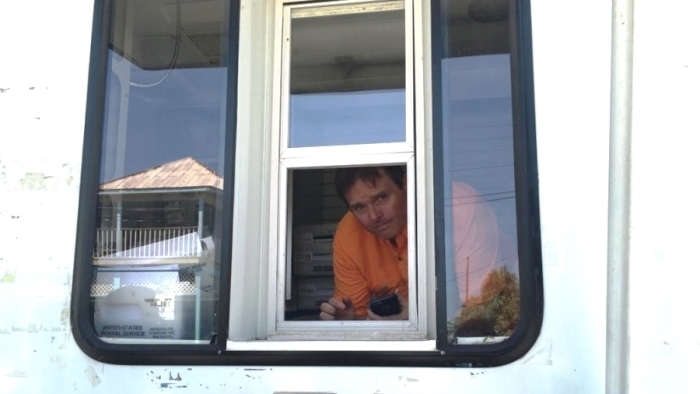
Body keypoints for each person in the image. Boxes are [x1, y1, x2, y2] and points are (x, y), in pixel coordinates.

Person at [319, 165, 504, 321]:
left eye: (381, 198)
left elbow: (484, 315)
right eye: (360, 207)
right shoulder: (349, 233)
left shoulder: (457, 208)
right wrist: (348, 325)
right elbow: (358, 318)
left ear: (408, 184)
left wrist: (417, 322)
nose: (374, 215)